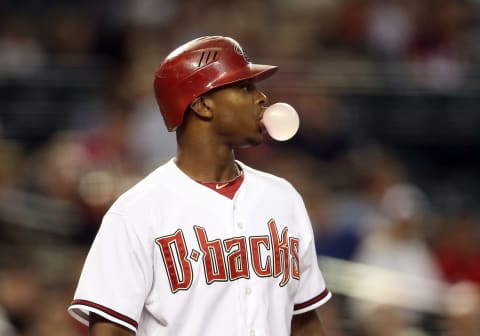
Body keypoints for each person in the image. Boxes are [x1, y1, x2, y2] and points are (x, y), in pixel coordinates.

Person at [68, 35, 331, 336]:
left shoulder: (283, 197)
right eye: (244, 88)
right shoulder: (135, 212)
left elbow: (303, 321)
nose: (262, 98)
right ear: (203, 105)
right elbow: (110, 331)